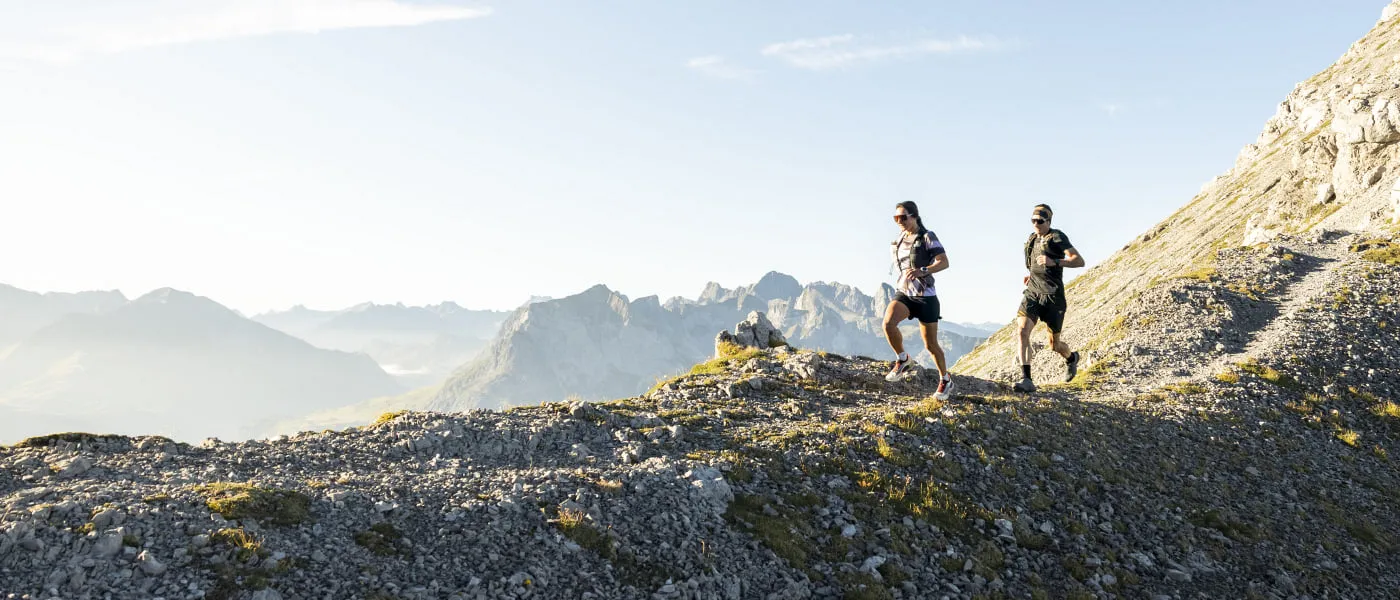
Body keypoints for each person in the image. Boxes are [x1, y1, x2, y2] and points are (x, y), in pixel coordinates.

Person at [883, 201, 955, 400]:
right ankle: (903, 358)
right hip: (905, 293)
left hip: (926, 297)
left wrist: (924, 270)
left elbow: (944, 262)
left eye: (903, 217)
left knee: (931, 345)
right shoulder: (897, 240)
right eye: (896, 218)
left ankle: (945, 379)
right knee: (888, 324)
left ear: (914, 216)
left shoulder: (927, 237)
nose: (899, 221)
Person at [1014, 203, 1085, 392]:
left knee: (1055, 345)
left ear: (1048, 221)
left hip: (1053, 297)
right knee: (1022, 331)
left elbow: (1078, 260)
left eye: (1040, 221)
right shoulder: (1031, 240)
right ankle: (1026, 379)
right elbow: (1034, 263)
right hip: (1033, 292)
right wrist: (1031, 274)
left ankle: (1071, 358)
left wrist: (1054, 262)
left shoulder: (1056, 237)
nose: (1036, 224)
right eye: (1033, 221)